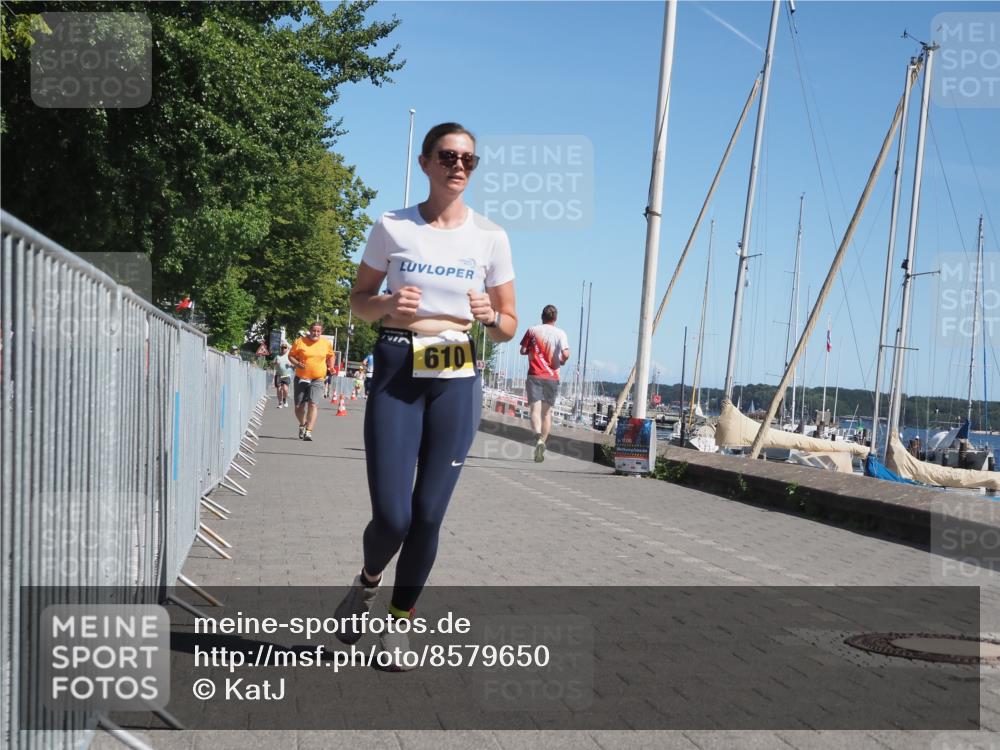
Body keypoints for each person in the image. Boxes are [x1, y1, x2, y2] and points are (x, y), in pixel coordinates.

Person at [335, 122, 517, 670]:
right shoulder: (393, 226)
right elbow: (358, 302)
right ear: (425, 162)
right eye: (447, 156)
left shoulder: (491, 237)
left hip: (456, 370)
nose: (458, 166)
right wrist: (387, 305)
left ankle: (398, 622)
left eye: (468, 160)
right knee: (392, 516)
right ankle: (367, 582)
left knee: (429, 515)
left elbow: (509, 323)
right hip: (397, 363)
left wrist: (491, 317)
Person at [520, 304, 570, 462]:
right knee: (547, 413)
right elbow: (566, 354)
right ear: (555, 319)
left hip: (534, 375)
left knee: (535, 411)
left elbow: (522, 350)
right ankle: (543, 441)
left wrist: (531, 351)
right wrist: (561, 361)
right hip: (552, 377)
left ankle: (537, 438)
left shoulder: (532, 330)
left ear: (542, 316)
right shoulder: (561, 333)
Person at [288, 322, 335, 441]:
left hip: (318, 378)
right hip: (301, 377)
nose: (316, 333)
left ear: (321, 332)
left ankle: (308, 431)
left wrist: (331, 367)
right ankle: (303, 424)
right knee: (299, 406)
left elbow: (331, 356)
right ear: (310, 330)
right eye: (314, 330)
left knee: (313, 404)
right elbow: (291, 356)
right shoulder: (300, 341)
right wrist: (297, 363)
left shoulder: (326, 343)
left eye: (318, 331)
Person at [273, 342, 293, 408]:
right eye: (282, 348)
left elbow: (295, 365)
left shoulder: (289, 356)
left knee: (285, 389)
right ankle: (280, 402)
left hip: (286, 374)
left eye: (285, 348)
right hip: (278, 374)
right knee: (279, 389)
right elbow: (273, 363)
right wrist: (276, 362)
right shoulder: (277, 356)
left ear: (287, 349)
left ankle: (284, 399)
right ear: (280, 348)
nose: (283, 349)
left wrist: (291, 365)